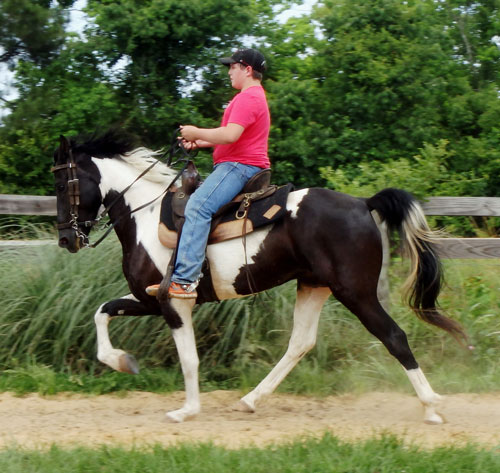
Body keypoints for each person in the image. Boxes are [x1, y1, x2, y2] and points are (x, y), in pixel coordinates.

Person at [147, 48, 271, 299]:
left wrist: (196, 132)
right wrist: (201, 143)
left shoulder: (248, 98)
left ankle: (184, 281)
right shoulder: (251, 97)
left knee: (197, 206)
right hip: (238, 163)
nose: (229, 72)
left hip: (238, 167)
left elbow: (229, 135)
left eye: (232, 67)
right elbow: (235, 138)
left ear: (247, 70)